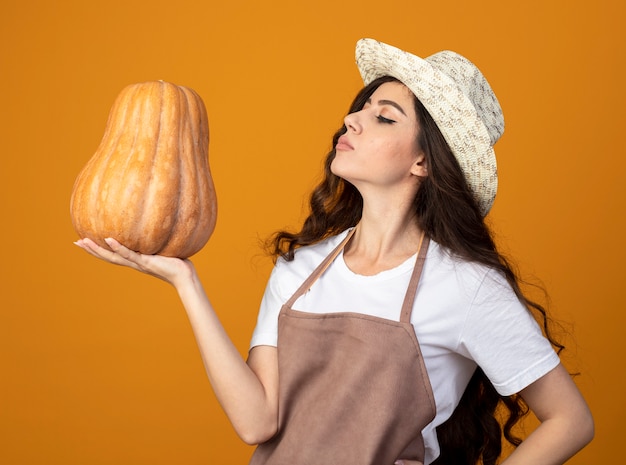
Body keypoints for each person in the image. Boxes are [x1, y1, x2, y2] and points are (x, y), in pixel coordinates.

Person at [75, 38, 594, 465]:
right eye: (361, 109)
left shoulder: (465, 285)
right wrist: (185, 281)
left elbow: (571, 421)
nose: (353, 121)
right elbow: (257, 422)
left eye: (385, 117)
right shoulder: (300, 268)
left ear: (423, 163)